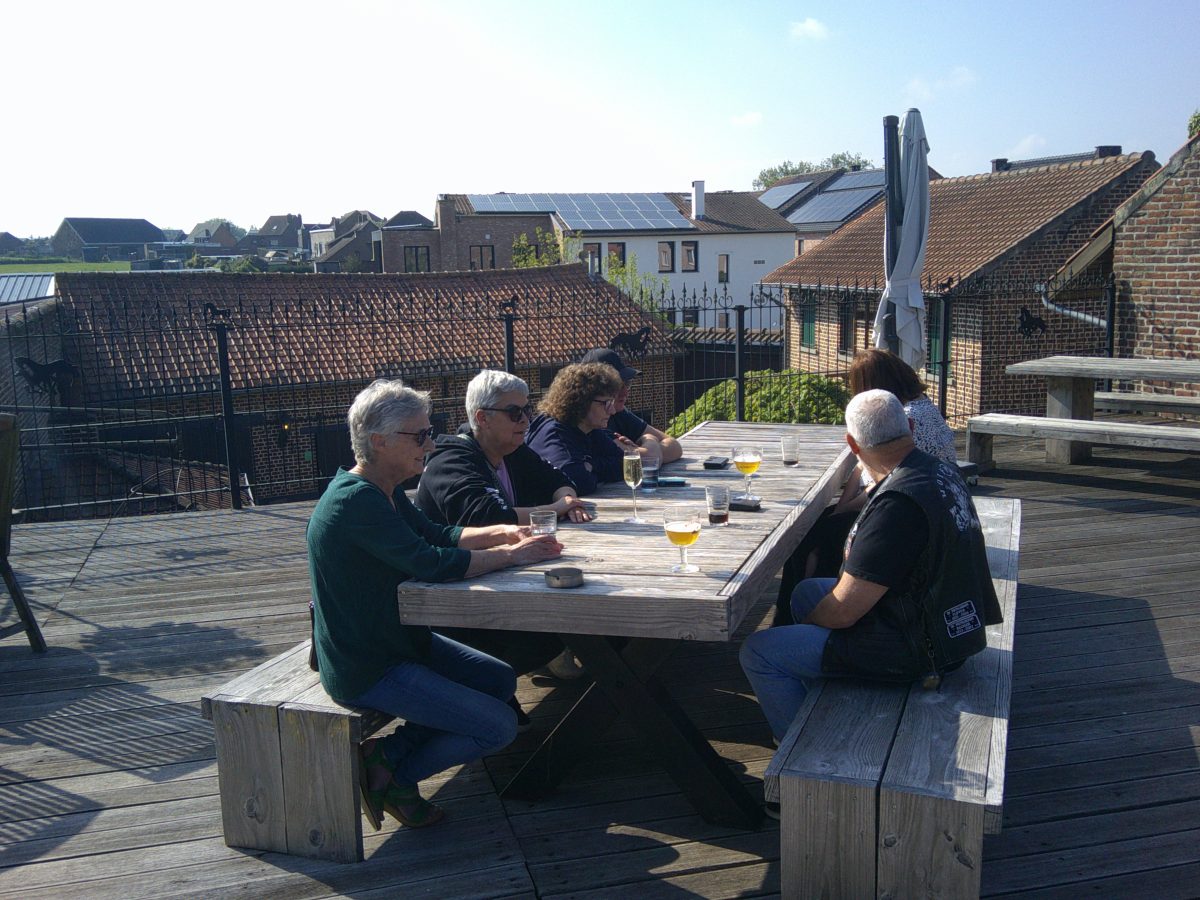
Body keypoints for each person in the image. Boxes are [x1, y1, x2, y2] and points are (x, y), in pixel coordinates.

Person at [307, 378, 563, 831]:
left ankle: (388, 752)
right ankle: (396, 776)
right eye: (420, 435)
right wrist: (512, 556)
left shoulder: (382, 489)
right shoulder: (356, 503)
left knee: (499, 678)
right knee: (498, 726)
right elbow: (431, 562)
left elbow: (436, 534)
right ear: (379, 440)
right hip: (367, 665)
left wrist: (503, 532)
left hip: (399, 641)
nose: (430, 444)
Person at [741, 389, 1001, 764]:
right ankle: (820, 699)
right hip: (951, 624)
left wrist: (813, 625)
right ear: (909, 427)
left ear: (853, 444)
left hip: (921, 649)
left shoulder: (898, 504)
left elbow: (844, 611)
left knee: (759, 652)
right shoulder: (936, 471)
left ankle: (803, 758)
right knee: (805, 592)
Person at [415, 369, 592, 713]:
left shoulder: (511, 449)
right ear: (482, 418)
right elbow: (488, 516)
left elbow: (558, 477)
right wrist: (558, 508)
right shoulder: (452, 459)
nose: (525, 420)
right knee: (564, 629)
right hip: (454, 608)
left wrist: (567, 498)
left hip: (500, 582)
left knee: (571, 621)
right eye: (514, 412)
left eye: (526, 410)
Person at [774, 349, 958, 625]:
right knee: (817, 527)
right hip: (930, 498)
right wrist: (844, 505)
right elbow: (865, 466)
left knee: (811, 534)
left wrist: (844, 508)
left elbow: (890, 482)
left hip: (911, 511)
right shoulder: (918, 406)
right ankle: (800, 608)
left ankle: (799, 616)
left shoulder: (902, 417)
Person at [525, 362, 625, 496]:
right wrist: (595, 471)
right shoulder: (555, 434)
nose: (612, 411)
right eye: (606, 403)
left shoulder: (589, 429)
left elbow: (625, 465)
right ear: (581, 401)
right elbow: (579, 482)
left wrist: (592, 465)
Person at [579, 348, 683, 465]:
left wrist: (642, 449)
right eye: (617, 386)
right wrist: (650, 439)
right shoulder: (595, 424)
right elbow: (649, 459)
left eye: (627, 384)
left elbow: (674, 446)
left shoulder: (619, 413)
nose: (625, 392)